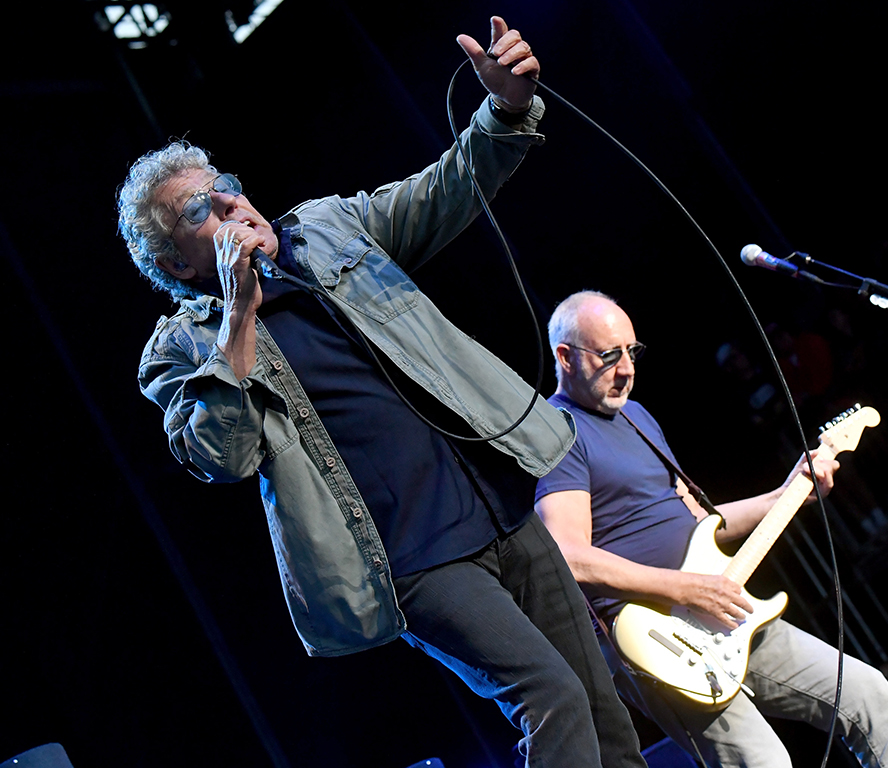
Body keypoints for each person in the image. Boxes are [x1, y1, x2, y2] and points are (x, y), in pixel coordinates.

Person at [118, 20, 647, 767]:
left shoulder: (328, 228)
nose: (231, 206)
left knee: (603, 709)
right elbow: (221, 455)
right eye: (199, 210)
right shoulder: (179, 350)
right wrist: (238, 309)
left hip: (494, 497)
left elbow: (446, 189)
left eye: (226, 188)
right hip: (414, 559)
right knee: (549, 695)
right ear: (174, 258)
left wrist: (501, 112)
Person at [534, 291, 888, 768]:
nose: (626, 369)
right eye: (609, 356)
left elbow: (703, 523)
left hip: (724, 613)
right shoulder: (556, 432)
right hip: (657, 642)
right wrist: (687, 588)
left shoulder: (637, 417)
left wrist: (787, 494)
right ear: (566, 357)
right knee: (763, 762)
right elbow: (569, 555)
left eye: (632, 353)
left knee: (868, 693)